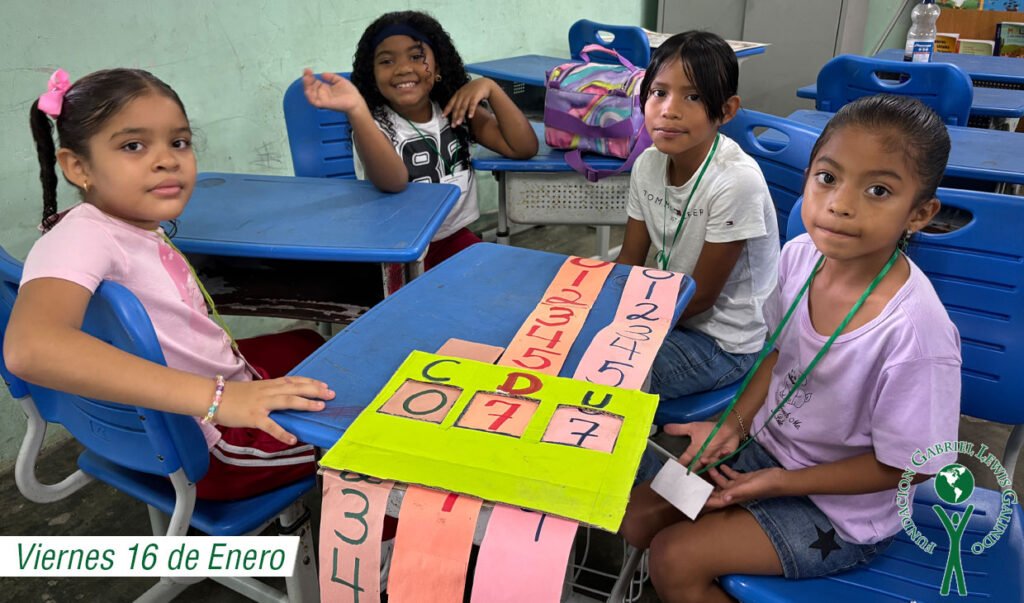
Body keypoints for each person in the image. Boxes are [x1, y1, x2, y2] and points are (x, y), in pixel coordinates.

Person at [620, 95, 962, 603]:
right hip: (763, 453)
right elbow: (776, 354)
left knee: (675, 558)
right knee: (636, 517)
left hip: (842, 512)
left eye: (878, 190)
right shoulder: (800, 255)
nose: (841, 204)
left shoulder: (915, 334)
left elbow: (911, 468)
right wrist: (732, 425)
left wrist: (779, 483)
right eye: (827, 177)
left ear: (920, 213)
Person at [4, 68, 332, 500]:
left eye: (179, 142)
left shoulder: (121, 223)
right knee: (368, 441)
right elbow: (31, 347)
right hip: (216, 449)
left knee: (307, 343)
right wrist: (222, 399)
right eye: (133, 146)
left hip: (202, 392)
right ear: (77, 166)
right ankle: (378, 552)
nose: (167, 159)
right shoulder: (82, 236)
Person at [302, 10, 538, 269]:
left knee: (496, 281)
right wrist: (357, 110)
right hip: (398, 251)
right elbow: (393, 182)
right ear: (372, 74)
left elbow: (523, 148)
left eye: (416, 57)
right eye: (386, 61)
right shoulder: (372, 126)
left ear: (438, 65)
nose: (403, 69)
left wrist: (491, 89)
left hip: (453, 239)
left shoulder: (454, 109)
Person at [615, 31, 779, 400]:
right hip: (666, 315)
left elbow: (701, 295)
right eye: (659, 92)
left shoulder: (736, 182)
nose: (669, 109)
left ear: (727, 109)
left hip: (722, 342)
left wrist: (626, 326)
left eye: (693, 97)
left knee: (604, 375)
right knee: (575, 349)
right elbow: (629, 259)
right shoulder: (647, 164)